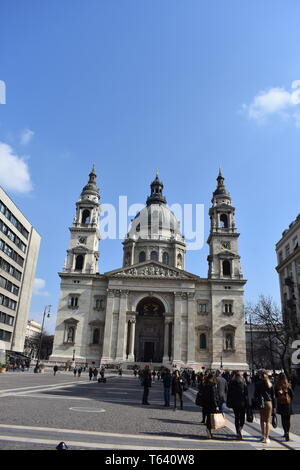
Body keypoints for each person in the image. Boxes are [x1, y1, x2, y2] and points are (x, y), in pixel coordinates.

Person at [254, 370, 276, 444]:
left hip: (261, 403)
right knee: (268, 421)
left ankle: (263, 436)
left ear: (261, 376)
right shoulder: (270, 384)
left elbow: (255, 395)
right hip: (269, 403)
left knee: (262, 420)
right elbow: (273, 396)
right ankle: (267, 437)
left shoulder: (258, 384)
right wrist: (275, 407)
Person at [226, 371, 248, 440]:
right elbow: (246, 394)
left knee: (237, 417)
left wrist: (229, 402)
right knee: (242, 418)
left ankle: (238, 431)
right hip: (242, 404)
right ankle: (239, 429)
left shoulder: (231, 383)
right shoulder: (243, 383)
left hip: (235, 404)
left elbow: (229, 394)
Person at [275, 373, 294, 442]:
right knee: (288, 419)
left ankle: (285, 432)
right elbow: (292, 395)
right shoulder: (288, 385)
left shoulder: (277, 385)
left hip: (281, 404)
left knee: (283, 419)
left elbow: (276, 395)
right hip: (288, 405)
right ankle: (287, 432)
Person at [201, 373, 220, 439]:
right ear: (212, 378)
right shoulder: (212, 386)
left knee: (208, 418)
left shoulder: (205, 384)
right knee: (211, 419)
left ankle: (209, 430)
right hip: (211, 404)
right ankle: (209, 430)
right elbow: (213, 397)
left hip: (206, 404)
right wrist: (216, 405)